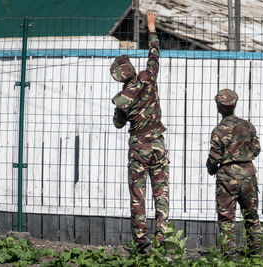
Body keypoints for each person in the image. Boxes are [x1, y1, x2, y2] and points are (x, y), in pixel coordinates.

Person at [110, 10, 169, 253]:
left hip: (138, 148)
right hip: (158, 144)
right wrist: (152, 26)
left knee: (138, 196)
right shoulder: (148, 77)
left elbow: (118, 123)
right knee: (161, 193)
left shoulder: (122, 98)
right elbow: (154, 53)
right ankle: (164, 239)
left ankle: (142, 243)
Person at [206, 88, 262, 254]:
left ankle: (228, 255)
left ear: (218, 107)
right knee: (251, 216)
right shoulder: (247, 126)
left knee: (226, 218)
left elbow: (214, 156)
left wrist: (212, 168)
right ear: (234, 105)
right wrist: (244, 156)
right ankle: (256, 254)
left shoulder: (219, 130)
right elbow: (256, 148)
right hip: (247, 176)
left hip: (227, 178)